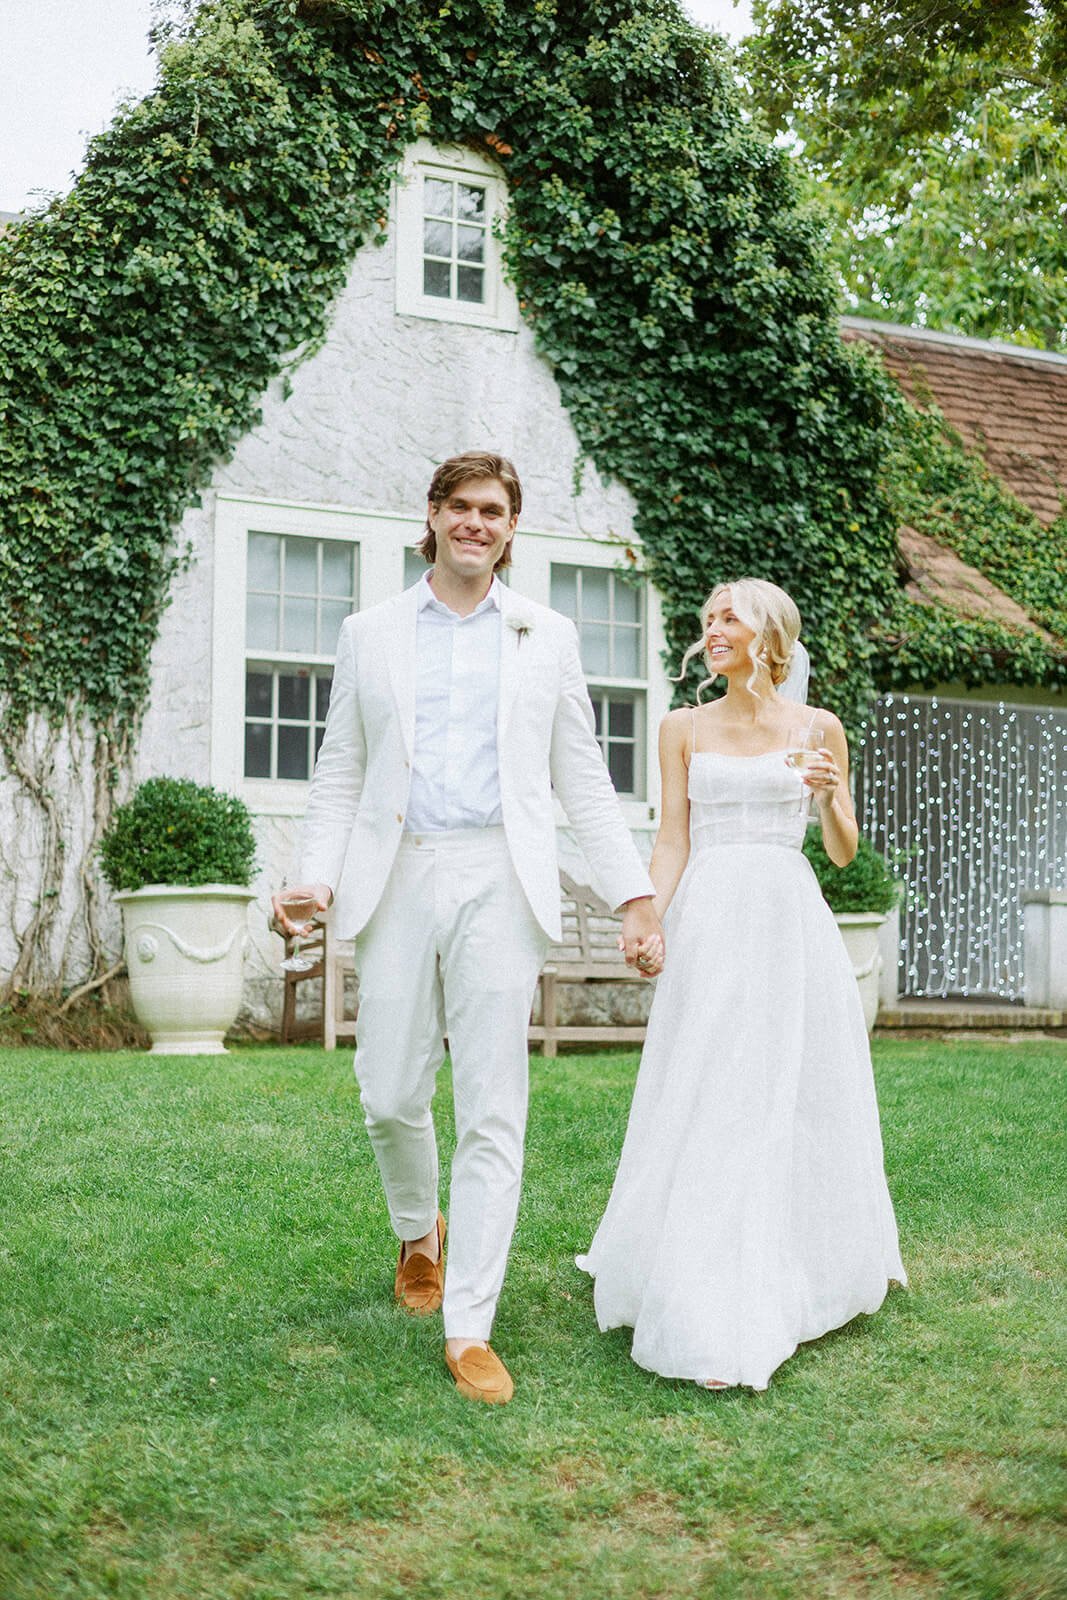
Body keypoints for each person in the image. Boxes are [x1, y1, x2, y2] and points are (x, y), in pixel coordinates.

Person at [273, 451, 663, 1405]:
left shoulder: (547, 636)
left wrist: (633, 895)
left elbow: (582, 778)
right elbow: (339, 770)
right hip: (398, 873)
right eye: (460, 506)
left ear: (510, 527)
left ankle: (470, 1326)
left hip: (499, 873)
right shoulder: (369, 633)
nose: (475, 523)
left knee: (492, 1104)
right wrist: (314, 875)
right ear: (434, 515)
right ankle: (420, 1231)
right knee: (388, 1092)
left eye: (492, 510)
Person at [577, 578, 906, 1391]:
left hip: (788, 920)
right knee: (712, 1081)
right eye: (709, 619)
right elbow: (672, 839)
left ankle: (798, 1260)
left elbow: (840, 851)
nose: (712, 629)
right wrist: (648, 916)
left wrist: (829, 798)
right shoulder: (681, 727)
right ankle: (700, 1277)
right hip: (711, 920)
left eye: (729, 618)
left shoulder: (817, 726)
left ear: (769, 635)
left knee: (791, 1085)